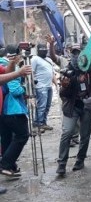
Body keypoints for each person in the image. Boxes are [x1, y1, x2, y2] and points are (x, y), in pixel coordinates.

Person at [56, 43, 91, 175]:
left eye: (78, 53)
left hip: (87, 106)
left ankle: (80, 160)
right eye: (74, 53)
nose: (76, 56)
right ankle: (61, 164)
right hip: (72, 107)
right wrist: (65, 86)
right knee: (67, 133)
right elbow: (63, 94)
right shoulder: (68, 70)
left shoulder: (90, 69)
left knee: (85, 135)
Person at [0, 45, 32, 193]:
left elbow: (5, 75)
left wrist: (13, 63)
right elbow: (12, 86)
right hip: (12, 108)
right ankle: (6, 164)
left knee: (6, 138)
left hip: (3, 109)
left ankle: (9, 166)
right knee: (22, 135)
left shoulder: (5, 64)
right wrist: (19, 74)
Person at [31, 43, 54, 131]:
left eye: (45, 49)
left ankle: (43, 122)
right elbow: (32, 72)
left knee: (47, 106)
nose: (44, 51)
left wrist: (55, 83)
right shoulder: (35, 59)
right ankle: (38, 123)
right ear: (38, 50)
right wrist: (33, 84)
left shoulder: (49, 59)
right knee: (41, 106)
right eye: (42, 49)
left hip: (49, 86)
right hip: (40, 86)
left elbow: (52, 73)